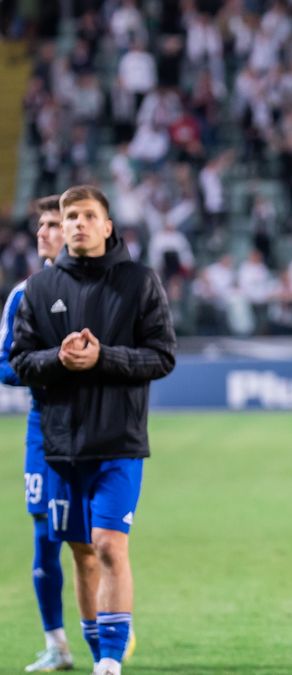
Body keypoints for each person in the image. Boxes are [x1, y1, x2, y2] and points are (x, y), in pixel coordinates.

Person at [10, 185, 176, 675]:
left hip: (119, 443)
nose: (77, 223)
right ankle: (91, 647)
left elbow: (162, 355)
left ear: (107, 226)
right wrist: (58, 359)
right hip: (59, 447)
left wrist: (103, 355)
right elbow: (20, 361)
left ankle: (109, 661)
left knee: (108, 544)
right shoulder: (39, 290)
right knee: (81, 553)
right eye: (70, 216)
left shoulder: (139, 282)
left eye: (88, 215)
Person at [1, 196, 72, 671]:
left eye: (54, 225)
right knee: (44, 535)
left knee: (97, 540)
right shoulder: (23, 295)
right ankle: (58, 645)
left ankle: (108, 630)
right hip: (43, 428)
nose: (44, 233)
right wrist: (50, 366)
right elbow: (5, 365)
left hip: (98, 430)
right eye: (42, 225)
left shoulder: (105, 289)